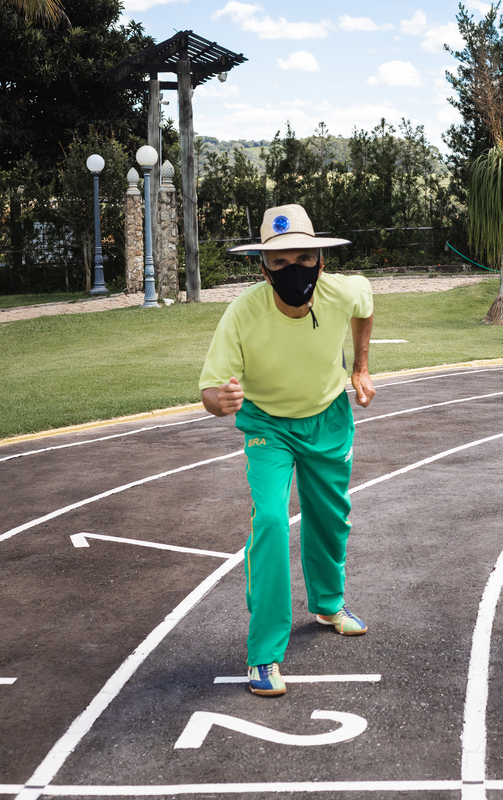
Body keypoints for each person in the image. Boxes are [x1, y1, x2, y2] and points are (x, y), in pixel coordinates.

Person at [199, 203, 376, 698]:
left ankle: (328, 604)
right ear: (263, 268)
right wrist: (222, 401)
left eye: (301, 257)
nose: (291, 269)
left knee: (330, 515)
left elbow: (366, 306)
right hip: (267, 426)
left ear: (320, 259)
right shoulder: (243, 313)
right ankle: (263, 656)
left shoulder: (343, 290)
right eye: (278, 262)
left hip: (327, 417)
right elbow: (211, 392)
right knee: (272, 523)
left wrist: (360, 367)